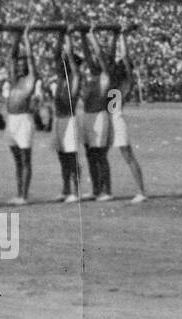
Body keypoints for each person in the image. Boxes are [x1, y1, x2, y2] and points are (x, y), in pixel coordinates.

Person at [110, 30, 147, 203]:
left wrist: (122, 37)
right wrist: (117, 37)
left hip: (117, 121)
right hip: (108, 121)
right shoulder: (113, 84)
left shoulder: (126, 84)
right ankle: (103, 190)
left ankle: (141, 190)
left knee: (128, 156)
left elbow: (125, 58)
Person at [79, 31, 115, 201]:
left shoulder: (105, 77)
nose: (92, 63)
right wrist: (82, 36)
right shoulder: (93, 76)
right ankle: (95, 189)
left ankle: (106, 191)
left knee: (100, 155)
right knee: (90, 154)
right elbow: (88, 56)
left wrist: (92, 37)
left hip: (99, 116)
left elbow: (98, 56)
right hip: (87, 115)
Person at [4, 28, 37, 205]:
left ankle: (24, 196)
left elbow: (31, 63)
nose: (20, 66)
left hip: (23, 119)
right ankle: (19, 194)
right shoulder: (14, 80)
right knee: (17, 160)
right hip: (12, 120)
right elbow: (11, 59)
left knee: (25, 158)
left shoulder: (30, 80)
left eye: (23, 64)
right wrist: (16, 39)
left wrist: (26, 39)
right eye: (20, 64)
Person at [52, 32, 85, 202]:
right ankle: (66, 189)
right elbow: (56, 55)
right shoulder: (61, 79)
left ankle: (76, 191)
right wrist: (60, 36)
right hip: (58, 119)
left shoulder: (75, 79)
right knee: (62, 157)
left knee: (71, 157)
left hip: (69, 120)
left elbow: (70, 59)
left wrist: (68, 40)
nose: (61, 65)